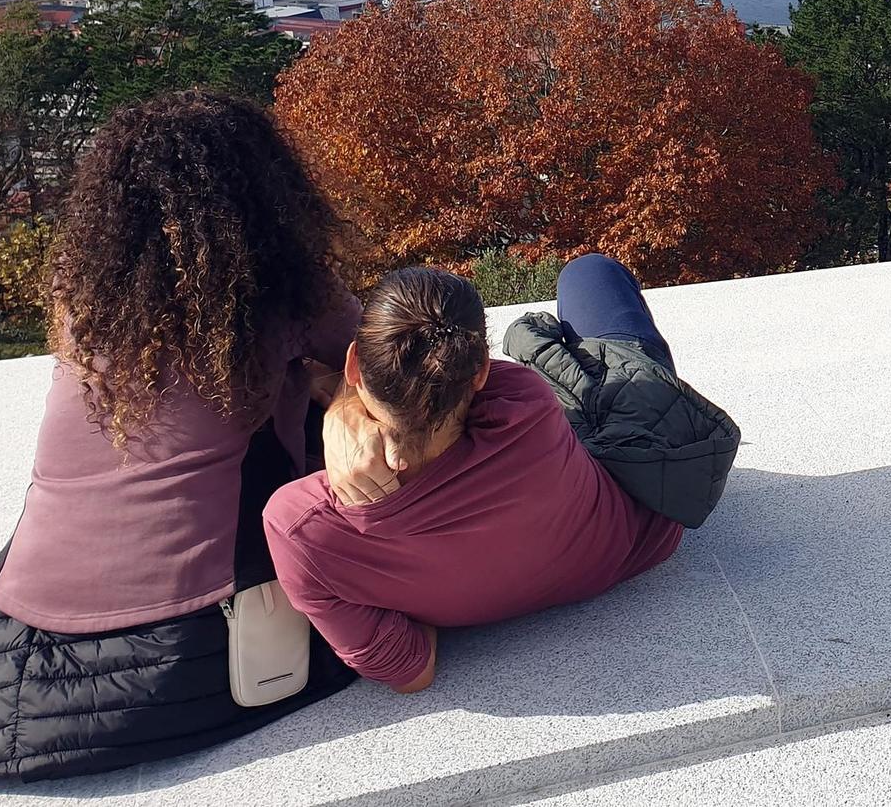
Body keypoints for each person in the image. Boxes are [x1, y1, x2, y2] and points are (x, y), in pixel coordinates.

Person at [0, 90, 383, 785]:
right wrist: (330, 390)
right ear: (269, 194)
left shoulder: (87, 296)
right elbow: (385, 361)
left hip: (19, 630)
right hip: (193, 649)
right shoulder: (283, 294)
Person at [262, 258, 684, 693]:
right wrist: (344, 404)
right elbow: (438, 382)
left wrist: (343, 407)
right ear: (480, 367)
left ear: (353, 364)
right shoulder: (525, 400)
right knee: (590, 272)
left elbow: (411, 672)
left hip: (615, 540)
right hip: (640, 538)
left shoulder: (299, 525)